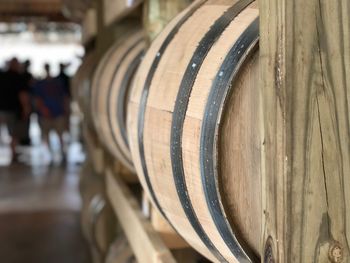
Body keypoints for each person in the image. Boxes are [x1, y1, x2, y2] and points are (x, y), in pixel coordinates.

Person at [32, 63, 69, 140]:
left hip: (58, 112)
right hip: (45, 114)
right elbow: (37, 99)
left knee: (60, 134)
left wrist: (66, 109)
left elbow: (64, 97)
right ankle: (50, 151)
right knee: (46, 135)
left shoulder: (58, 82)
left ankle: (62, 150)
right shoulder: (40, 84)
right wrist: (42, 109)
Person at [0, 58, 30, 149]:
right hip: (14, 110)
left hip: (3, 109)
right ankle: (13, 153)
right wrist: (26, 107)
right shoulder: (18, 78)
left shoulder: (2, 76)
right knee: (14, 133)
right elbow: (23, 94)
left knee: (12, 132)